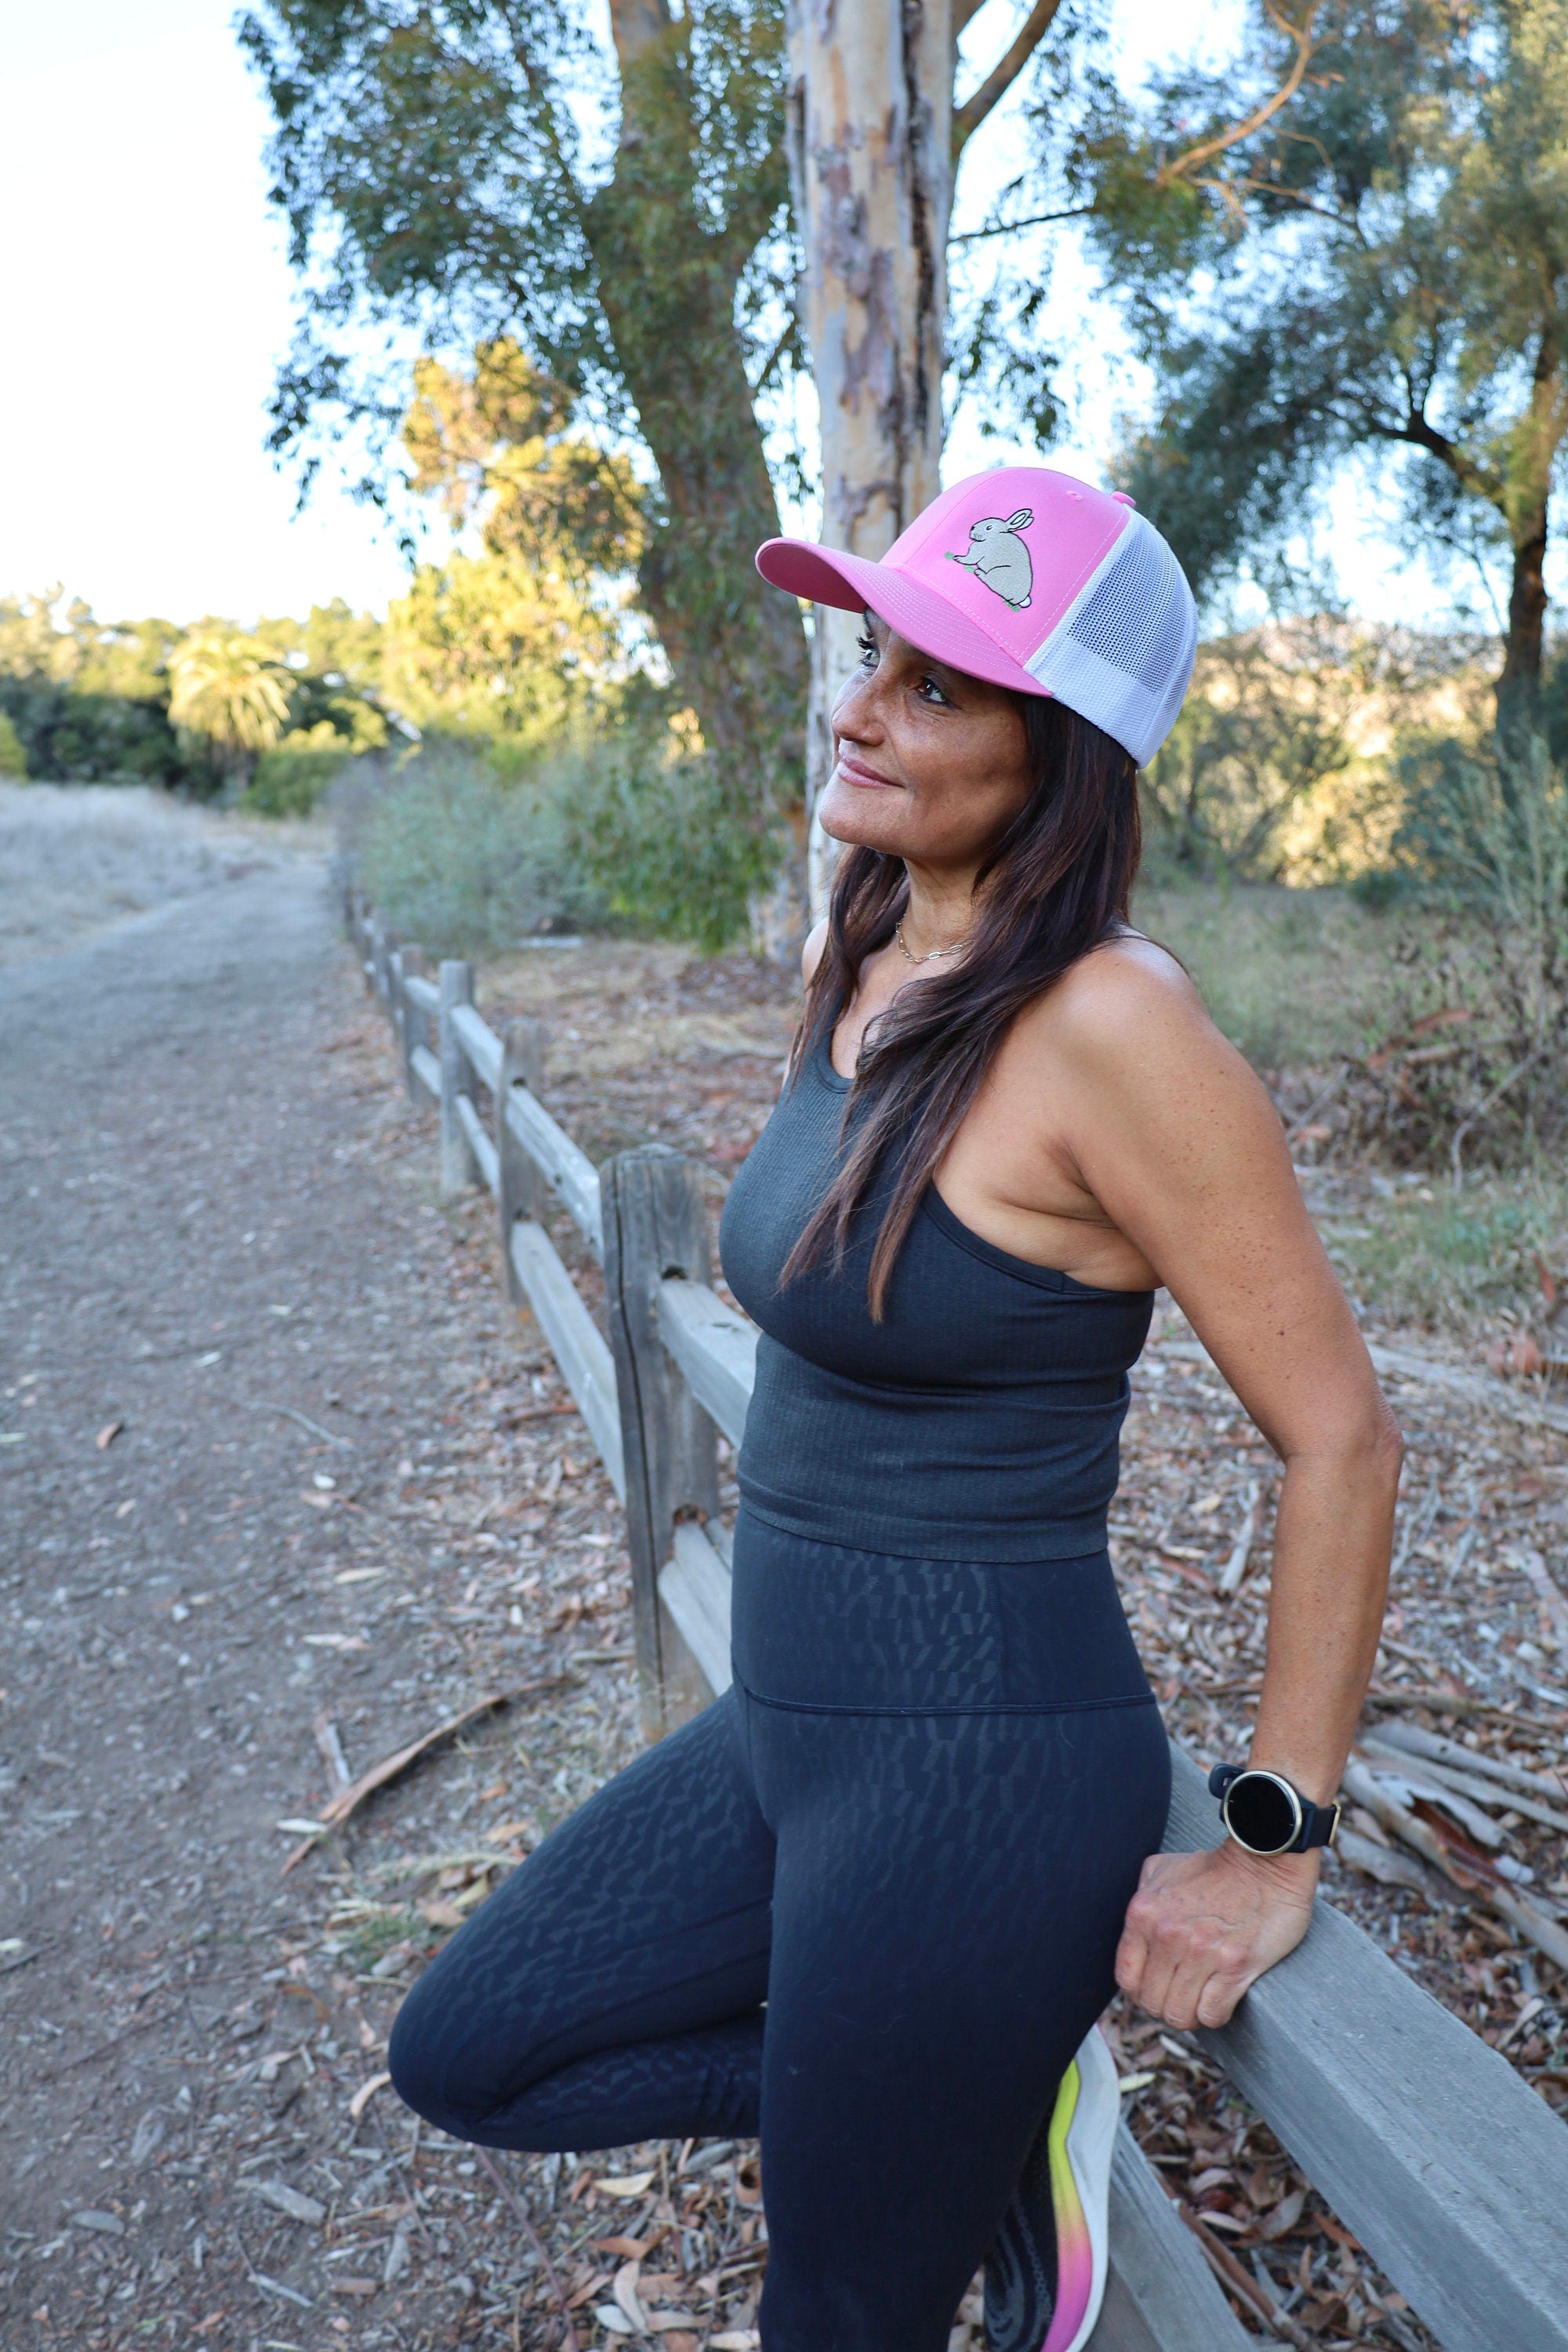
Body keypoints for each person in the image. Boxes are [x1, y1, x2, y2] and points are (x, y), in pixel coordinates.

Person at [388, 467, 1400, 2352]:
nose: (859, 706)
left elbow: (1342, 1433)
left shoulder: (1116, 1031)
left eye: (939, 687)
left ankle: (935, 2123)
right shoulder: (865, 951)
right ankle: (972, 2120)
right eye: (876, 655)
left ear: (1068, 749)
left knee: (835, 2315)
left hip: (978, 1772)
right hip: (790, 1722)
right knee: (469, 2054)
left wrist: (1269, 1839)